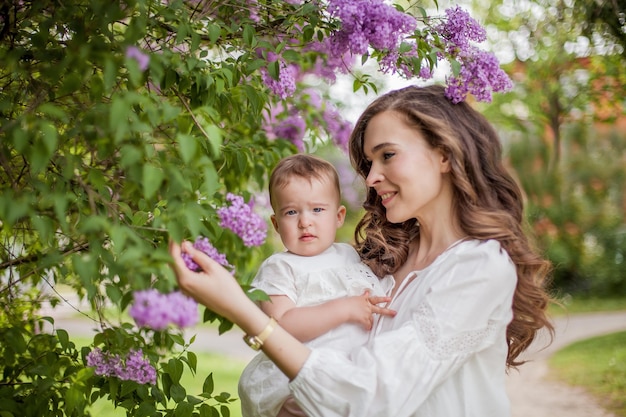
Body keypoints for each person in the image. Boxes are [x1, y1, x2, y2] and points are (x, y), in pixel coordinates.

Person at [169, 84, 554, 417]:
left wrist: (238, 308)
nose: (371, 178)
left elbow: (369, 397)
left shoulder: (478, 267)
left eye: (387, 155)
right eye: (369, 162)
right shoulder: (382, 261)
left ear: (444, 155)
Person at [238, 154, 395, 417]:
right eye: (291, 212)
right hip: (294, 382)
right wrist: (344, 309)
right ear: (276, 223)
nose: (305, 221)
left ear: (339, 216)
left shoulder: (349, 256)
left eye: (317, 209)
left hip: (347, 379)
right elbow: (281, 325)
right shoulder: (280, 267)